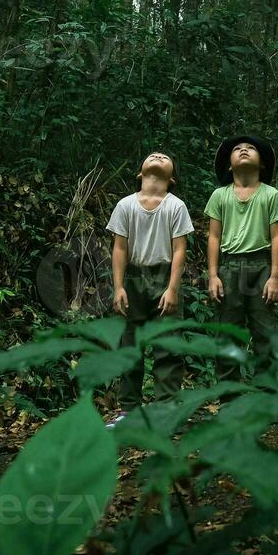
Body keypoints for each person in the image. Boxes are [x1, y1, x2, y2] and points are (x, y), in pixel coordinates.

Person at [105, 151, 193, 427]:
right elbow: (119, 248)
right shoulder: (126, 205)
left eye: (164, 157)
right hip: (133, 278)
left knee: (167, 347)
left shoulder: (175, 206)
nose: (157, 156)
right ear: (140, 174)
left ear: (172, 177)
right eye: (152, 156)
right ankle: (129, 411)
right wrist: (118, 286)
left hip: (163, 277)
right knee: (129, 345)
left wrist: (172, 288)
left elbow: (180, 250)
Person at [205, 134, 278, 383]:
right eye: (237, 149)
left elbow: (277, 238)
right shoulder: (220, 195)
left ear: (262, 164)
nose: (243, 150)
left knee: (266, 331)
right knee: (227, 332)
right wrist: (213, 275)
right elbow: (214, 237)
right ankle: (228, 393)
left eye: (251, 148)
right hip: (229, 266)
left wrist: (274, 277)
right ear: (229, 165)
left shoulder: (271, 194)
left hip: (261, 266)